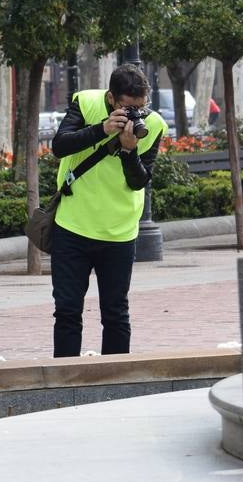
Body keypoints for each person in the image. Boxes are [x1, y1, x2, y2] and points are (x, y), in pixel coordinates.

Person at [48, 63, 167, 358]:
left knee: (115, 314)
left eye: (141, 107)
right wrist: (102, 129)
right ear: (112, 99)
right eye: (128, 108)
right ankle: (66, 384)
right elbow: (60, 146)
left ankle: (114, 386)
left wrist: (129, 150)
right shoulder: (86, 102)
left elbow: (139, 181)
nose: (135, 115)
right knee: (67, 312)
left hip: (119, 232)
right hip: (72, 227)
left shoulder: (153, 126)